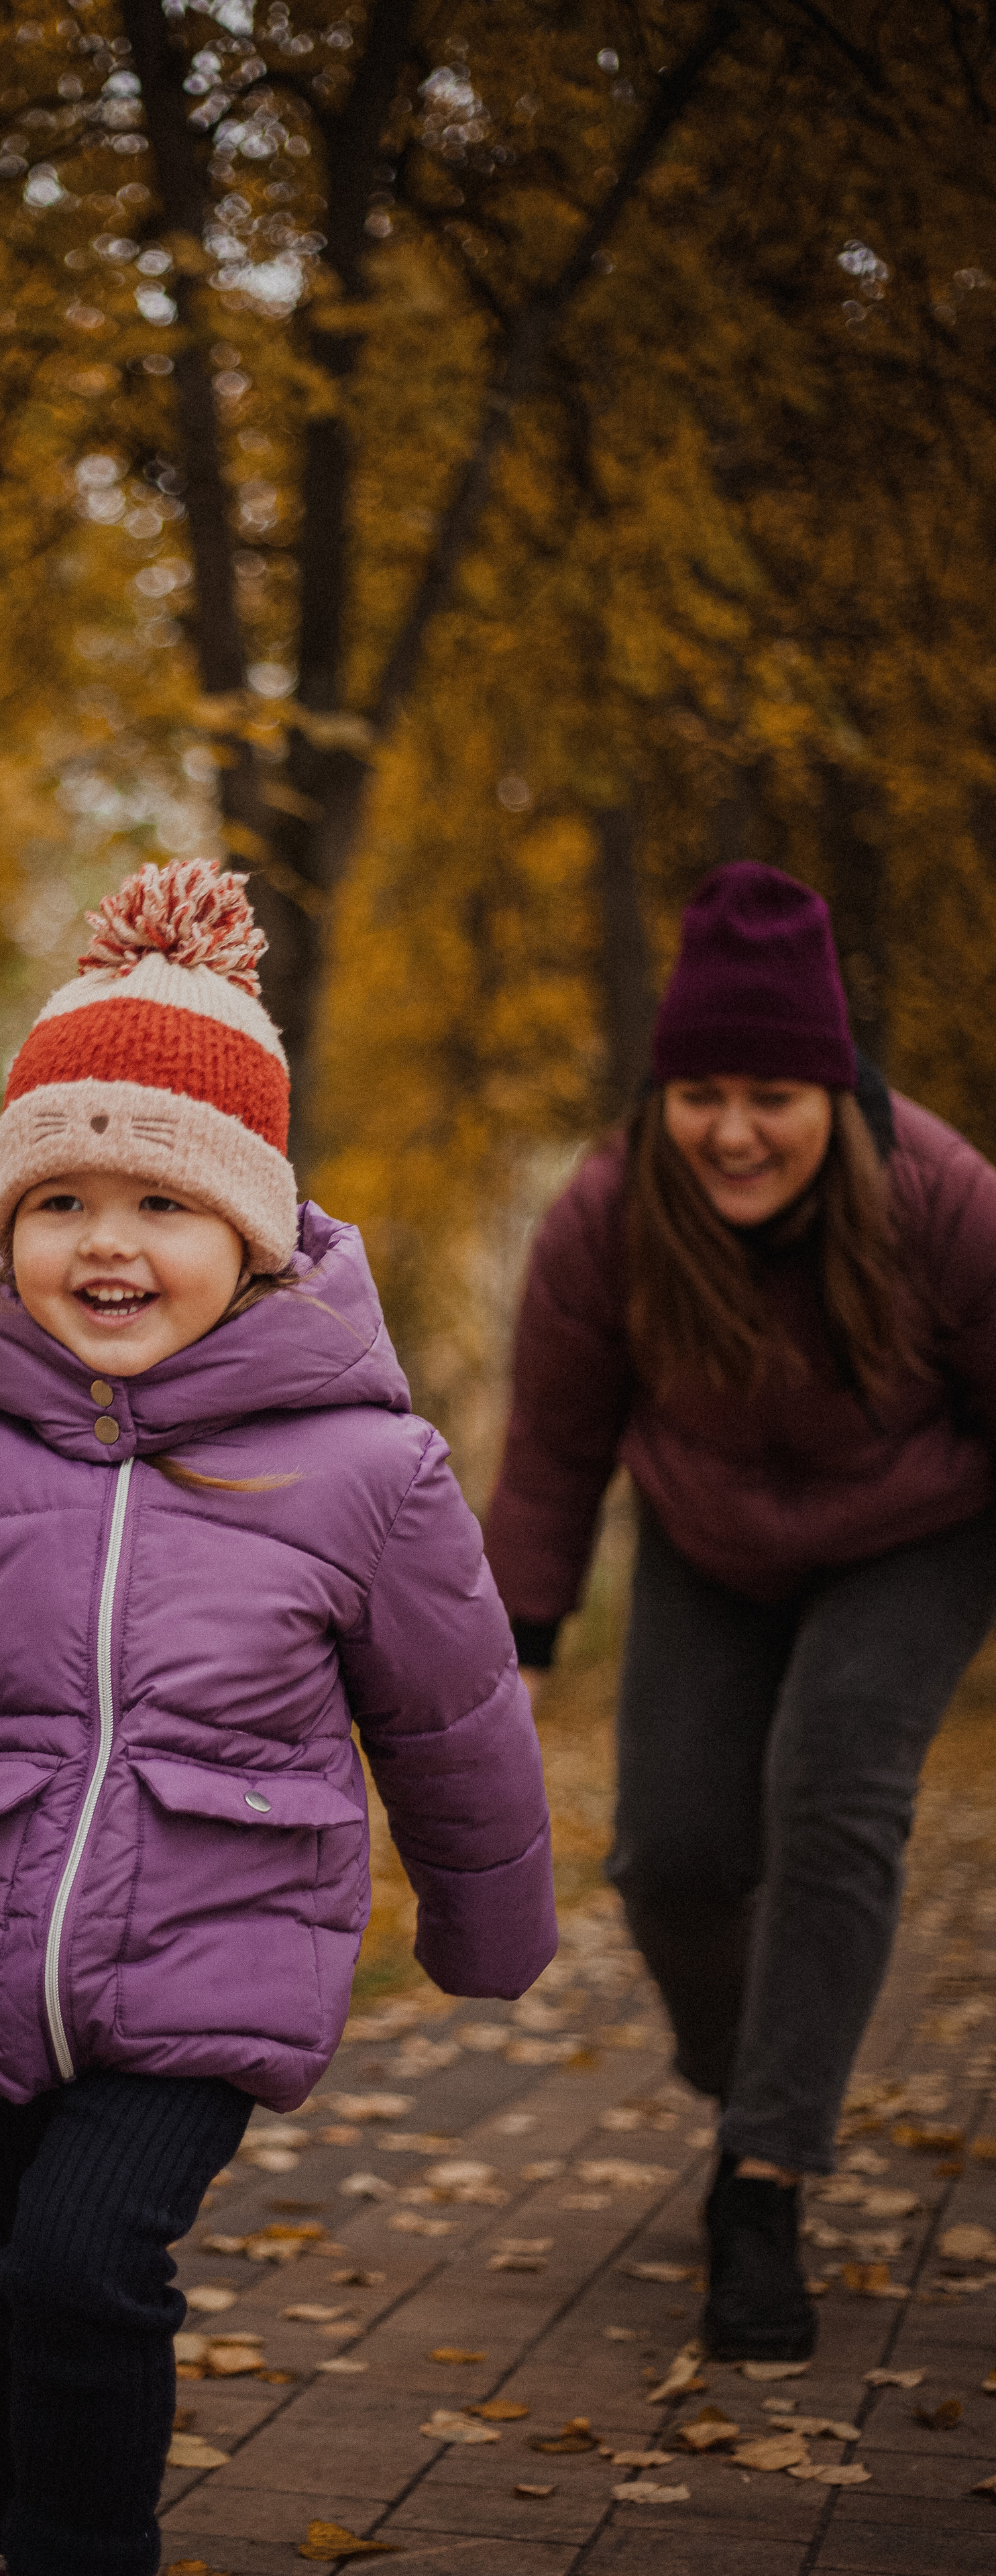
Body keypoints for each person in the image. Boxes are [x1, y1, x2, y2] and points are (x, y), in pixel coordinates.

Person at [0, 856, 556, 2576]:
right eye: (59, 1201)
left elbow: (451, 1714)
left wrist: (488, 1927)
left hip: (218, 1944)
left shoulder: (364, 1472)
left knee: (80, 2267)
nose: (105, 1240)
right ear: (4, 1229)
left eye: (160, 1204)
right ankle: (11, 2530)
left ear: (251, 1240)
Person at [485, 859, 996, 2363]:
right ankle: (741, 2065)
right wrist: (516, 1643)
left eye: (768, 1092)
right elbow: (554, 1443)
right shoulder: (605, 1215)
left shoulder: (940, 1199)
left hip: (916, 1527)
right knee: (670, 1850)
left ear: (831, 1088)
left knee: (832, 1791)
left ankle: (758, 2188)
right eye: (697, 1090)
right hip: (706, 1537)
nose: (729, 1128)